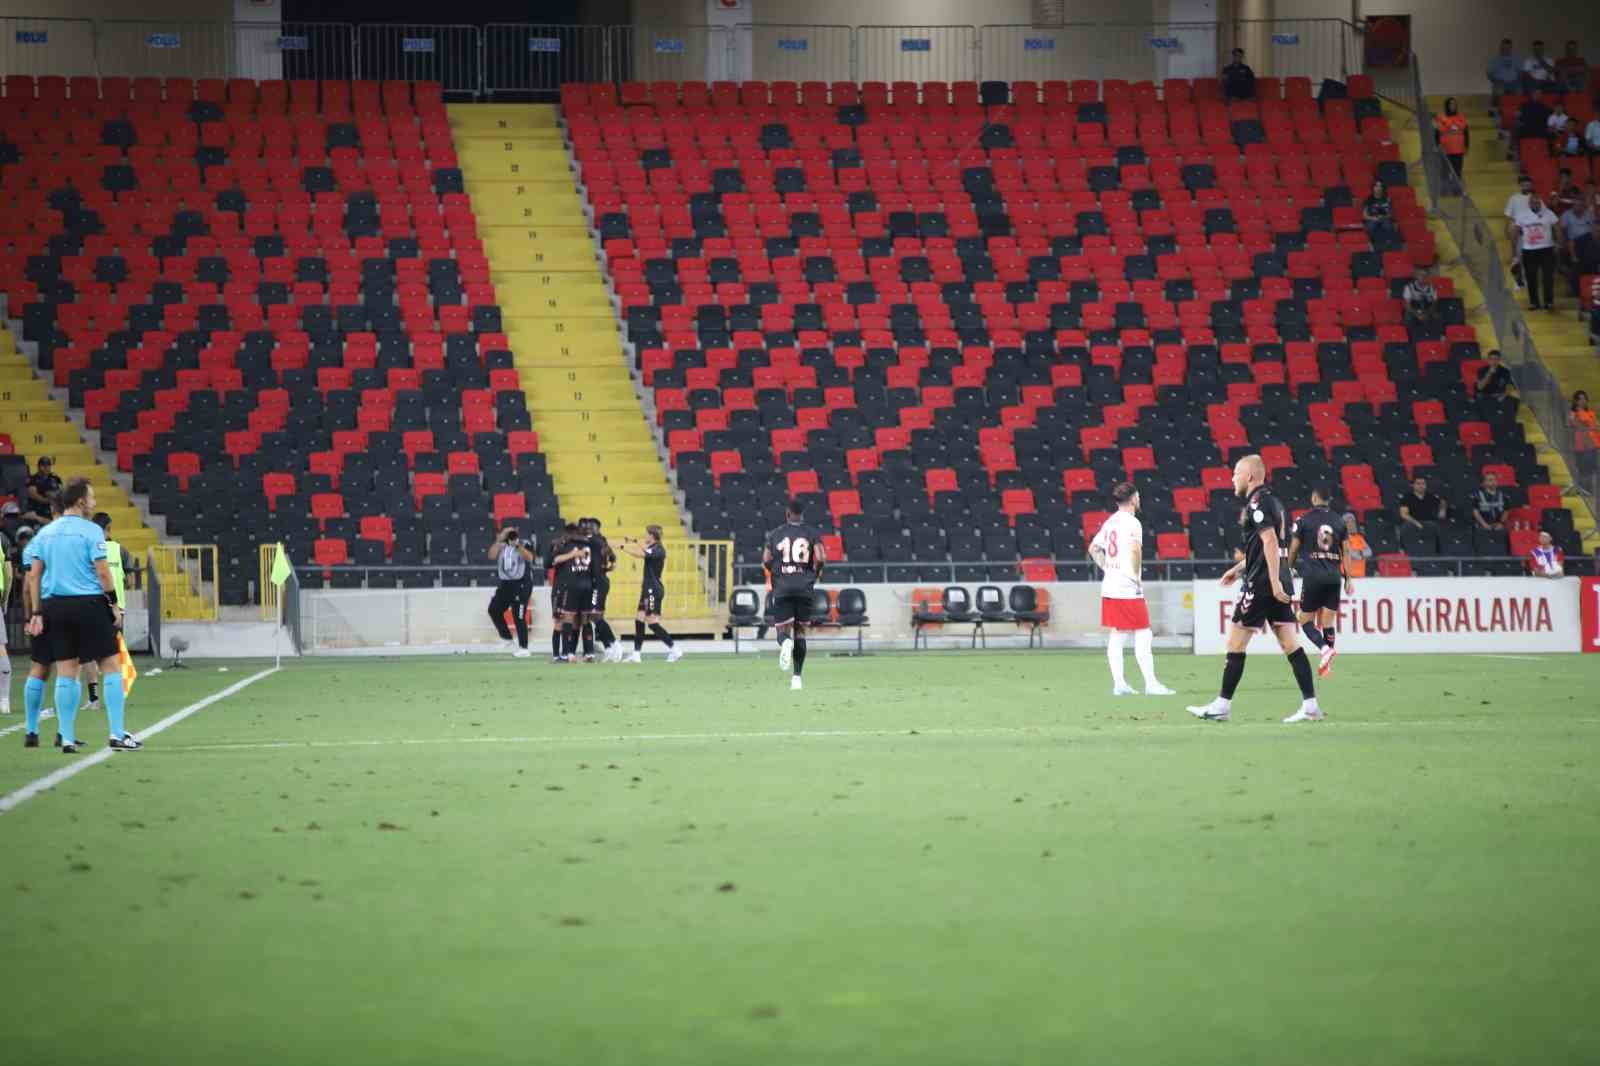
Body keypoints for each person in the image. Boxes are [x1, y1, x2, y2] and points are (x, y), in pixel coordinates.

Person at [1187, 455, 1323, 724]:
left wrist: (1270, 582)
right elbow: (1264, 547)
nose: (1232, 478)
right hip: (1278, 578)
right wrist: (1238, 568)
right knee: (1289, 643)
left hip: (1262, 583)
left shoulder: (1257, 503)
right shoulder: (1275, 502)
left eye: (1236, 473)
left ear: (1250, 476)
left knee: (1235, 642)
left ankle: (1222, 705)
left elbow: (1270, 542)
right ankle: (1310, 705)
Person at [24, 479, 138, 753]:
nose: (94, 502)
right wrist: (113, 604)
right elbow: (102, 573)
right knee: (110, 665)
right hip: (88, 604)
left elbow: (35, 575)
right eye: (92, 497)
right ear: (80, 502)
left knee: (67, 670)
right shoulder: (91, 531)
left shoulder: (46, 533)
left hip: (55, 607)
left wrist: (37, 612)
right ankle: (116, 733)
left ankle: (65, 736)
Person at [1087, 482, 1174, 697]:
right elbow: (1135, 550)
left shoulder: (1110, 522)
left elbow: (1093, 548)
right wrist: (1135, 576)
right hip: (1127, 586)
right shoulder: (1133, 523)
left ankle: (1120, 684)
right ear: (1134, 498)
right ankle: (1151, 684)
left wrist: (1107, 567)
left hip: (1110, 585)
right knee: (1143, 633)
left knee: (1118, 634)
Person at [1287, 485, 1351, 679]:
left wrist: (1288, 568)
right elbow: (1346, 552)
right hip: (1334, 577)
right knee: (1328, 621)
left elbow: (1294, 548)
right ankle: (1327, 664)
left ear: (1314, 498)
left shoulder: (1303, 520)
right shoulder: (1340, 522)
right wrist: (1348, 578)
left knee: (1304, 619)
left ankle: (1324, 649)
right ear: (1328, 500)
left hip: (1313, 576)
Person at [762, 498, 826, 692]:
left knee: (782, 632)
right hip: (804, 587)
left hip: (782, 587)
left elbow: (765, 559)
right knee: (800, 632)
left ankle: (785, 643)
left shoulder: (775, 534)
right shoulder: (812, 533)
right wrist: (815, 571)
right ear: (802, 514)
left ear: (787, 514)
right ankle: (796, 678)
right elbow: (821, 557)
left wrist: (775, 570)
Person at [618, 524, 682, 663]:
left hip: (653, 589)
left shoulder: (659, 549)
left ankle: (674, 649)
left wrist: (624, 547)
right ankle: (636, 654)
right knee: (639, 619)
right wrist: (631, 544)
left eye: (647, 534)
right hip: (647, 589)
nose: (645, 536)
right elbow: (643, 551)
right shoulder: (652, 548)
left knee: (652, 622)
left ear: (652, 535)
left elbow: (642, 554)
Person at [551, 521, 600, 662]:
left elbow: (555, 560)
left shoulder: (568, 545)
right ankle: (589, 652)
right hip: (588, 584)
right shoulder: (590, 545)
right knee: (585, 618)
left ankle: (567, 653)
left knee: (569, 618)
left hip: (573, 584)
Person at [486, 525, 535, 657]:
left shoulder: (525, 543)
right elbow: (491, 556)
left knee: (518, 614)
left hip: (522, 584)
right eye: (508, 532)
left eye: (513, 531)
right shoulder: (501, 546)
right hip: (505, 584)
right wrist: (499, 539)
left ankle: (524, 648)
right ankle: (506, 638)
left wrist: (517, 545)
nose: (511, 534)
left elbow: (529, 557)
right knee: (494, 609)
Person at [580, 517, 621, 662]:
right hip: (598, 581)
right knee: (596, 616)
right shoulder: (601, 541)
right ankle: (609, 647)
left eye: (591, 526)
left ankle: (614, 643)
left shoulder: (594, 540)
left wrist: (603, 570)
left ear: (596, 528)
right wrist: (608, 567)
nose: (588, 529)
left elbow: (612, 557)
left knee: (594, 615)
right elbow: (613, 558)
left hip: (598, 583)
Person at [1513, 191, 1561, 311]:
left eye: (1537, 202)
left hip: (1547, 249)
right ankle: (1534, 303)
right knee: (1531, 277)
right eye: (1533, 202)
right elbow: (1515, 232)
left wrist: (1558, 243)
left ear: (1540, 202)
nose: (1535, 204)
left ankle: (1549, 302)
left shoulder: (1549, 214)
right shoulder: (1522, 215)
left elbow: (1557, 228)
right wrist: (1514, 250)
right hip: (1529, 251)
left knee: (1548, 277)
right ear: (1529, 203)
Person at [1560, 191, 1599, 292]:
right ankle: (1576, 290)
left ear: (1584, 206)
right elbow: (1562, 232)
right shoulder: (1566, 215)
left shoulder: (1589, 214)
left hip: (1588, 243)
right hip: (1573, 243)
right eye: (1575, 204)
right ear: (1573, 205)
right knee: (1576, 263)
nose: (1577, 207)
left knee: (1592, 249)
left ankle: (1592, 288)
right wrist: (1563, 244)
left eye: (1580, 205)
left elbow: (1594, 230)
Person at [1397, 474, 1445, 554]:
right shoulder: (1407, 497)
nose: (1421, 486)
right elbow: (1403, 514)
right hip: (1412, 522)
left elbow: (1442, 502)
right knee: (1405, 527)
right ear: (1413, 485)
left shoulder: (1430, 496)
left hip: (1428, 522)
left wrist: (1442, 510)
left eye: (1423, 484)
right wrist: (1416, 523)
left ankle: (1438, 551)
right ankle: (1402, 549)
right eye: (1418, 483)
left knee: (1436, 527)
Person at [1469, 470, 1511, 552]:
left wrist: (1501, 523)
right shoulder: (1477, 495)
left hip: (1498, 525)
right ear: (1484, 483)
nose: (1493, 482)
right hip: (1482, 525)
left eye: (1494, 480)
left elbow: (1506, 511)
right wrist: (1484, 524)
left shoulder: (1504, 495)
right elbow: (1475, 512)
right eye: (1490, 480)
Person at [1475, 349, 1516, 426]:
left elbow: (1510, 386)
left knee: (1512, 402)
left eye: (1496, 359)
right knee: (1482, 403)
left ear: (1499, 360)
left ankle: (1509, 426)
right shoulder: (1482, 370)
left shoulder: (1505, 371)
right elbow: (1480, 387)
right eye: (1491, 359)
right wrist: (1489, 373)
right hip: (1485, 396)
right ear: (1488, 360)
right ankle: (1485, 425)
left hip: (1500, 396)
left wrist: (1504, 395)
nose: (1494, 362)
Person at [1434, 97, 1469, 183]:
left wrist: (1466, 146)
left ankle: (1457, 190)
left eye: (1454, 104)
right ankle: (1445, 190)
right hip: (1445, 150)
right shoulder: (1440, 117)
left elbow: (1466, 133)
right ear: (1447, 105)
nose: (1453, 106)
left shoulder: (1462, 117)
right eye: (1451, 104)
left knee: (1457, 172)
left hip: (1458, 150)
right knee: (1444, 172)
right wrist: (1437, 146)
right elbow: (1436, 133)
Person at [1569, 390, 1599, 484]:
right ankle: (1584, 492)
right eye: (1581, 399)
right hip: (1582, 447)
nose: (1583, 401)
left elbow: (1595, 427)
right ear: (1576, 401)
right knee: (1585, 471)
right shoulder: (1573, 414)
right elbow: (1576, 425)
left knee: (1594, 470)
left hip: (1594, 445)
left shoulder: (1591, 413)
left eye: (1585, 398)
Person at [1402, 264, 1440, 330]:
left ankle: (1433, 336)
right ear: (1416, 276)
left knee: (1437, 317)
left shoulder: (1432, 287)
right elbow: (1407, 305)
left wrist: (1427, 313)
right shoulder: (1409, 287)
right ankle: (1411, 336)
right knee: (1408, 317)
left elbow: (1435, 303)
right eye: (1421, 275)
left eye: (1425, 275)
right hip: (1414, 309)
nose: (1423, 277)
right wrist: (1417, 314)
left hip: (1427, 309)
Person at [1487, 38, 1520, 103]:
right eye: (1504, 48)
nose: (1506, 50)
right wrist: (1495, 81)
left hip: (1514, 82)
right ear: (1501, 48)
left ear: (1511, 48)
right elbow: (1489, 73)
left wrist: (1518, 80)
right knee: (1499, 90)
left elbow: (1521, 73)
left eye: (1508, 48)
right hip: (1500, 83)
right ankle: (1496, 111)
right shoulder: (1494, 59)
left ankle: (1517, 111)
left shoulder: (1516, 59)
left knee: (1520, 90)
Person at [1342, 512, 1372, 577]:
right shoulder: (1341, 539)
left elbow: (1369, 552)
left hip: (1361, 574)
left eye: (1352, 521)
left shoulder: (1359, 537)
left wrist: (1360, 552)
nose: (1351, 524)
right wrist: (1361, 554)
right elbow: (1353, 554)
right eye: (1347, 522)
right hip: (1347, 576)